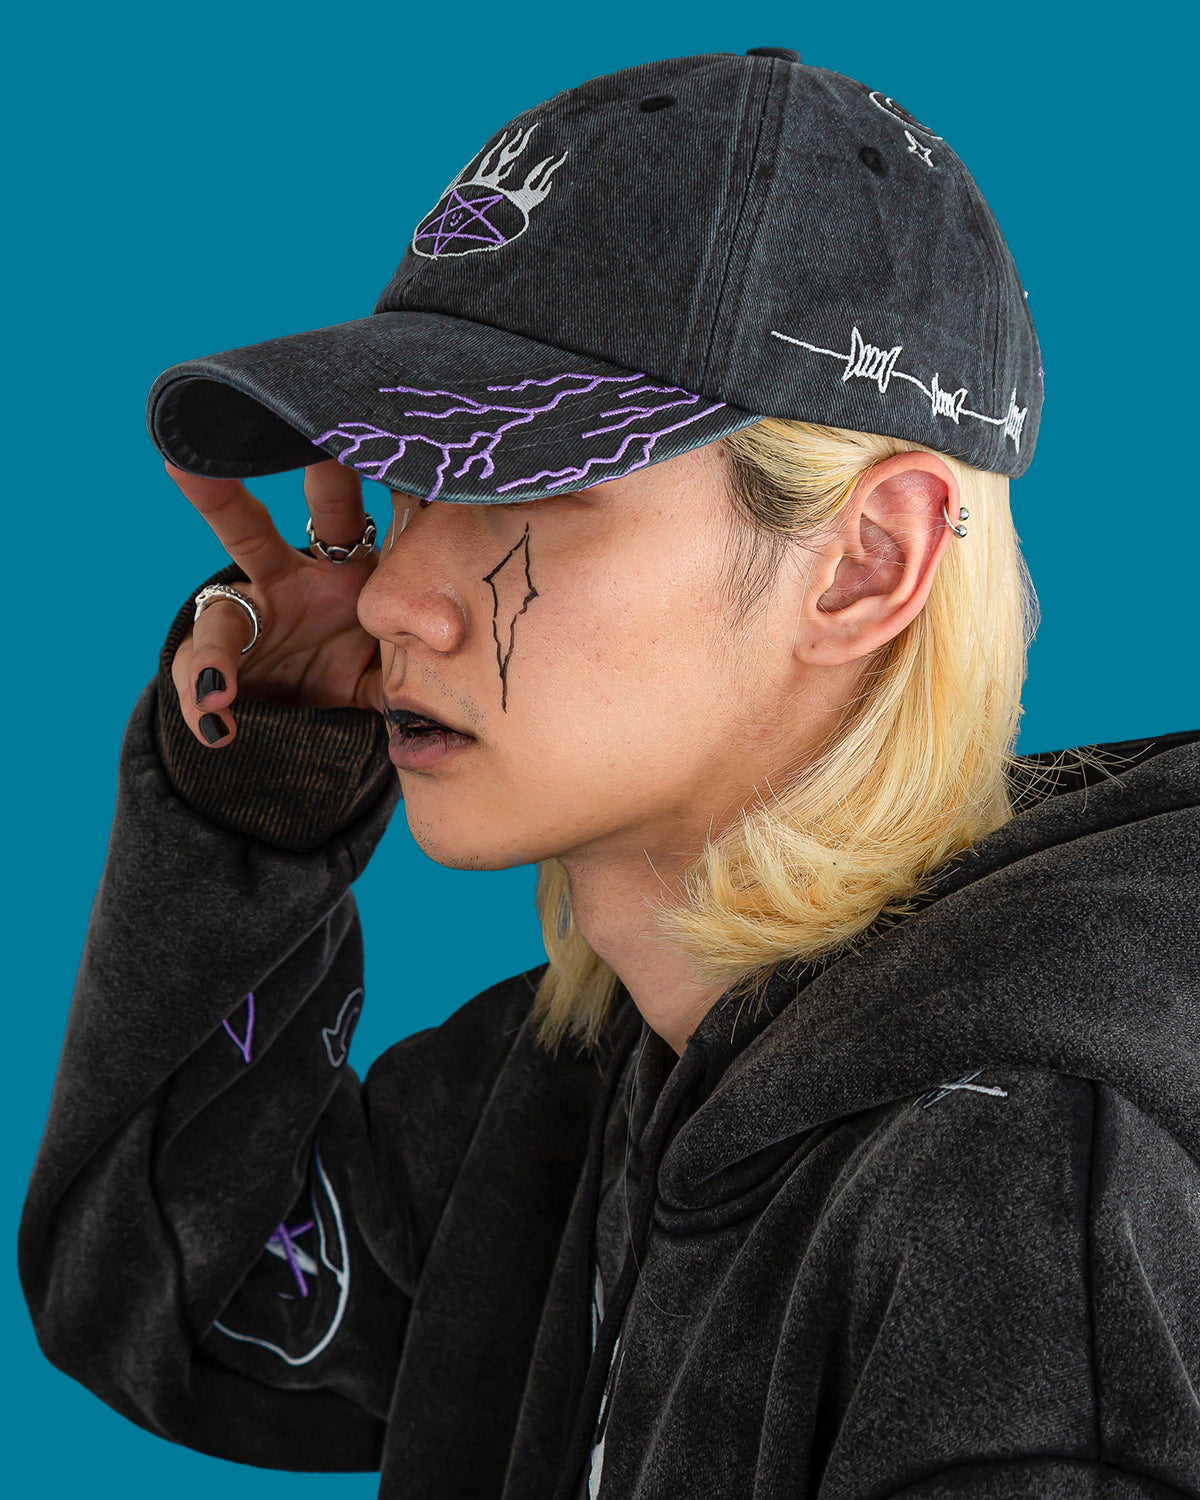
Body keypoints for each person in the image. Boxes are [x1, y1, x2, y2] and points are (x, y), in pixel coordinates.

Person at [18, 45, 1200, 1500]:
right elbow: (175, 1309)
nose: (393, 595)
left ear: (864, 563)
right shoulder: (599, 1073)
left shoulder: (1021, 1191)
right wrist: (265, 781)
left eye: (530, 480)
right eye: (415, 481)